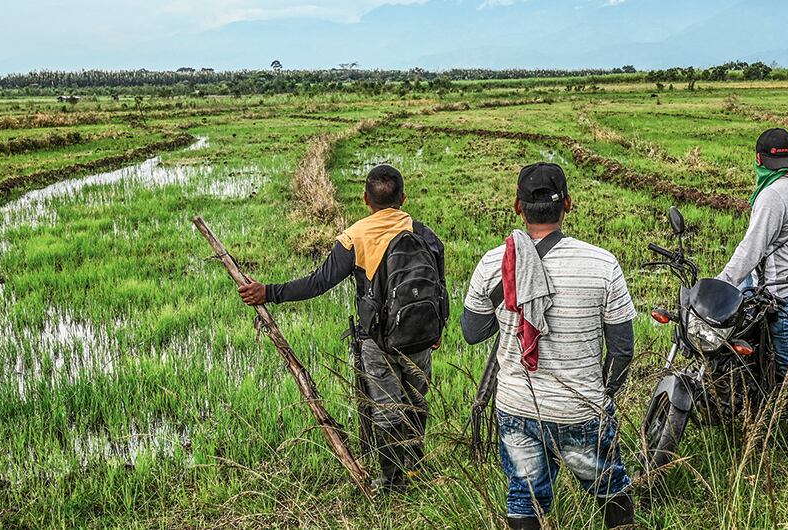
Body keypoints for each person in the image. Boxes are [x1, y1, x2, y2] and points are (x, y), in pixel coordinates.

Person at [237, 164, 448, 491]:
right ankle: (416, 470)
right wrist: (438, 330)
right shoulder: (423, 233)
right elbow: (439, 286)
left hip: (378, 342)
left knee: (388, 410)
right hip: (421, 338)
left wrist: (270, 292)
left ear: (366, 199)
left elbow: (318, 282)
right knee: (417, 403)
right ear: (403, 198)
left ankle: (394, 483)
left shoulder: (355, 237)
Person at [461, 162, 637, 529]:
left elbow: (473, 332)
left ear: (517, 206)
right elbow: (622, 350)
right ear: (568, 204)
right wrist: (600, 395)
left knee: (525, 497)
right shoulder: (603, 264)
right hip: (581, 407)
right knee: (609, 487)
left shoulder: (495, 262)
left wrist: (513, 302)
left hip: (516, 407)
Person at [716, 128, 788, 452]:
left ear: (758, 160)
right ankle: (755, 401)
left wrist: (721, 283)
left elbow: (752, 248)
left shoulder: (772, 195)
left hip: (785, 293)